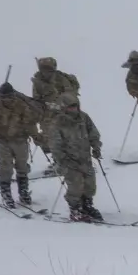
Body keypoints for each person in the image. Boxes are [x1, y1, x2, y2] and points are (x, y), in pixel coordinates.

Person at [0, 82, 47, 208]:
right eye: (4, 97)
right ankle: (6, 194)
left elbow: (29, 123)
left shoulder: (21, 105)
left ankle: (23, 192)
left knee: (22, 167)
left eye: (9, 97)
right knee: (5, 168)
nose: (7, 100)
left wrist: (36, 136)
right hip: (3, 141)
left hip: (20, 140)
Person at [46, 94, 102, 222]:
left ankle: (87, 206)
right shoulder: (58, 122)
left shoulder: (84, 117)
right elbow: (55, 144)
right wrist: (62, 159)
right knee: (75, 187)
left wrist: (96, 147)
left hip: (85, 158)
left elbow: (93, 133)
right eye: (70, 107)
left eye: (75, 106)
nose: (73, 109)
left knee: (90, 185)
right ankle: (75, 209)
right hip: (69, 161)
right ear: (64, 107)